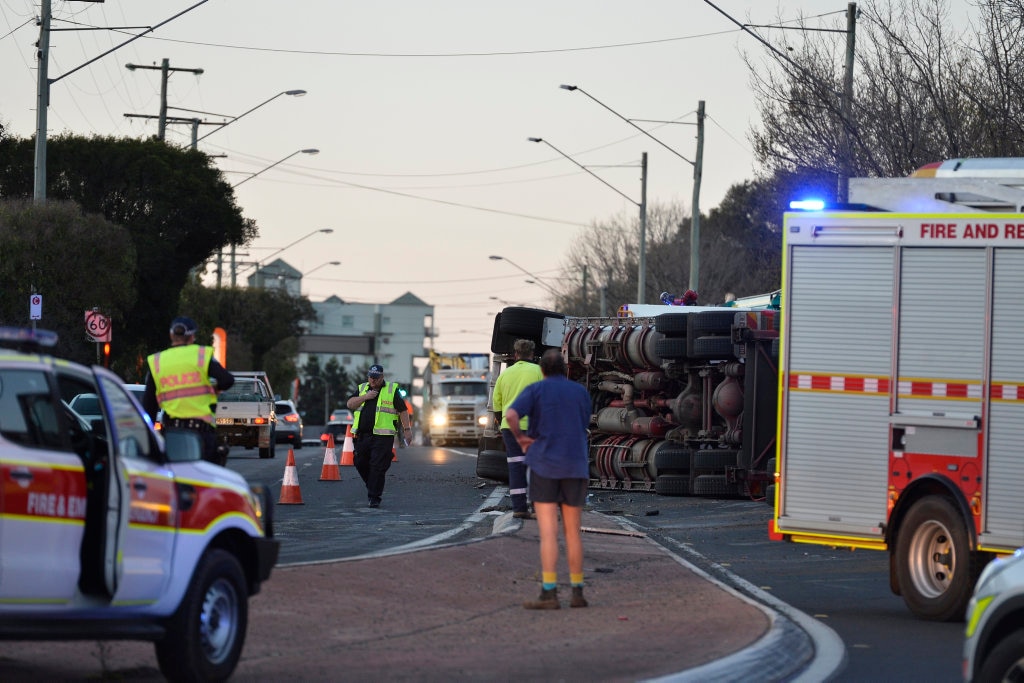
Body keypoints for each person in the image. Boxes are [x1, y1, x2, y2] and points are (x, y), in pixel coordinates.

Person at [505, 348, 592, 610]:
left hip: (544, 466)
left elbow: (510, 415)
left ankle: (550, 592)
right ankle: (577, 592)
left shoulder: (536, 390)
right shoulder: (580, 392)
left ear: (542, 370)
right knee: (572, 532)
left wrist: (521, 439)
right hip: (575, 466)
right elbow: (584, 421)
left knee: (548, 533)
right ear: (565, 370)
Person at [144, 316, 234, 465]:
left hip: (174, 435)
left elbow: (149, 407)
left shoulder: (157, 361)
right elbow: (227, 380)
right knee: (205, 481)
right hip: (202, 433)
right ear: (192, 336)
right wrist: (215, 388)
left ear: (171, 335)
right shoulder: (201, 355)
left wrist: (148, 440)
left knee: (177, 480)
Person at [346, 364, 412, 508]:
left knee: (377, 466)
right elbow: (350, 404)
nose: (373, 380)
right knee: (360, 462)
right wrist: (365, 396)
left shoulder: (391, 390)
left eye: (376, 378)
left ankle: (374, 497)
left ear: (382, 377)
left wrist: (407, 430)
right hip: (362, 435)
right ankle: (372, 485)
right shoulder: (363, 388)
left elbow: (403, 410)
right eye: (371, 377)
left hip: (383, 436)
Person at [492, 339, 543, 519]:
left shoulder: (505, 375)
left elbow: (496, 403)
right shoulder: (539, 372)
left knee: (516, 466)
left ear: (515, 355)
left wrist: (501, 421)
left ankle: (519, 508)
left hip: (509, 427)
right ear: (532, 354)